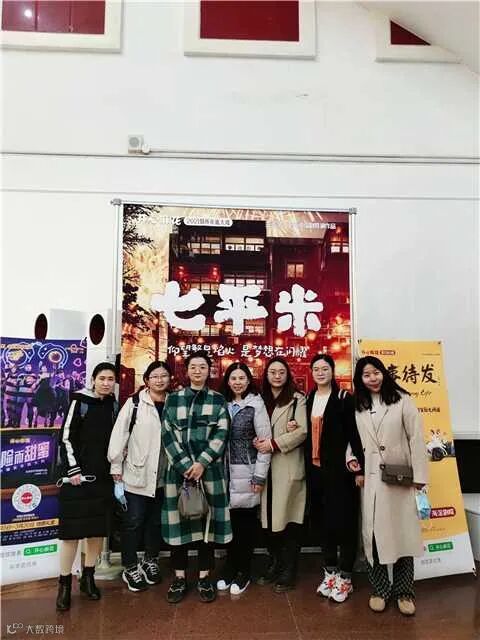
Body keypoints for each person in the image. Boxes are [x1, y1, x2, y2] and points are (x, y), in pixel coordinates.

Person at [353, 356, 428, 616]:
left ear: (384, 373)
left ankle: (404, 592)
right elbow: (353, 441)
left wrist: (419, 476)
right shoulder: (358, 405)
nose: (372, 378)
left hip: (400, 479)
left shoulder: (402, 399)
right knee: (374, 537)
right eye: (366, 375)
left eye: (376, 372)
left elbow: (416, 438)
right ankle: (380, 590)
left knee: (402, 534)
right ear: (360, 379)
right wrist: (354, 464)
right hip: (372, 479)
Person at [161, 351, 231, 604]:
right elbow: (167, 435)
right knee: (178, 526)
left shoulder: (218, 400)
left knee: (207, 528)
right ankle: (179, 578)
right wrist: (185, 466)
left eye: (203, 366)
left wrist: (202, 462)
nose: (198, 371)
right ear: (187, 370)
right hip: (179, 475)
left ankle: (204, 577)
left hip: (209, 472)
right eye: (193, 366)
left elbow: (222, 433)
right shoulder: (173, 399)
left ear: (209, 371)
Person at [55, 362, 118, 612]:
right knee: (71, 534)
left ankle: (88, 577)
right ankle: (64, 584)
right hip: (77, 479)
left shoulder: (112, 405)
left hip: (102, 478)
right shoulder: (79, 401)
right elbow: (66, 437)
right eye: (102, 378)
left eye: (110, 379)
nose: (106, 383)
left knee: (96, 532)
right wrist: (74, 469)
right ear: (93, 380)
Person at [303, 354, 364, 602]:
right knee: (323, 523)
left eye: (325, 368)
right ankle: (330, 571)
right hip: (315, 472)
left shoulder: (343, 398)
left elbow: (355, 435)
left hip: (341, 473)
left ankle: (346, 577)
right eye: (316, 369)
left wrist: (359, 469)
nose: (320, 373)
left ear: (332, 371)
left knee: (345, 522)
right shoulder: (308, 398)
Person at [108, 360, 171, 592]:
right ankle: (130, 566)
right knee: (133, 522)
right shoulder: (134, 403)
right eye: (155, 376)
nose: (159, 380)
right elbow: (119, 436)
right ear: (147, 380)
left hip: (163, 476)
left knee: (155, 523)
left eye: (164, 376)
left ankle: (150, 561)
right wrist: (116, 468)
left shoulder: (174, 403)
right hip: (136, 473)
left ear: (170, 378)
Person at [217, 362, 272, 595]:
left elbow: (265, 444)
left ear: (249, 380)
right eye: (233, 378)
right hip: (222, 473)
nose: (237, 382)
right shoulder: (221, 403)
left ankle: (244, 571)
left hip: (246, 472)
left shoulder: (256, 404)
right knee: (227, 523)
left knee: (244, 524)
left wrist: (259, 476)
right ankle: (230, 567)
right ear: (227, 381)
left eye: (242, 378)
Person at [254, 357, 307, 593]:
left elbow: (302, 431)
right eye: (272, 372)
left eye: (281, 372)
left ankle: (289, 569)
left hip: (287, 467)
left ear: (287, 375)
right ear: (266, 375)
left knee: (288, 521)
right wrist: (255, 441)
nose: (277, 376)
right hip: (263, 468)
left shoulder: (297, 399)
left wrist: (274, 443)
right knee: (267, 521)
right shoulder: (259, 399)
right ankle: (274, 562)